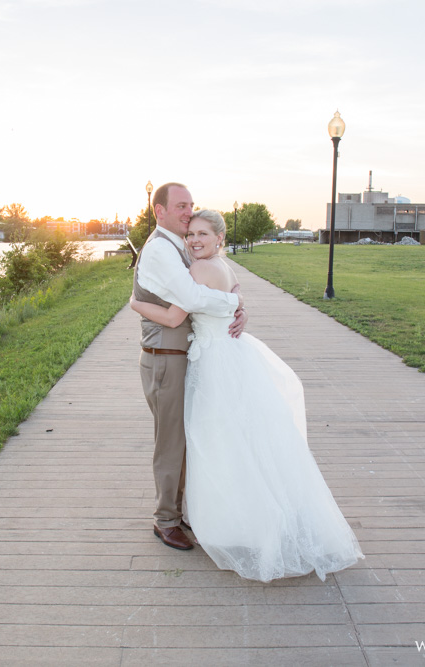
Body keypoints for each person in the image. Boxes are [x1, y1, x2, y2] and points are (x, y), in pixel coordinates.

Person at [131, 210, 363, 582]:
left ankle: (230, 522)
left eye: (203, 234)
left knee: (218, 441)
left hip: (212, 363)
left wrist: (135, 303)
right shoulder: (226, 267)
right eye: (191, 234)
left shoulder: (199, 270)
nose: (194, 241)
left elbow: (174, 317)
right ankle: (252, 514)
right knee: (243, 440)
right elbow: (234, 297)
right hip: (232, 357)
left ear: (220, 237)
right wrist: (240, 307)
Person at [133, 183, 246, 551]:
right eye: (181, 206)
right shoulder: (160, 251)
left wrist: (238, 304)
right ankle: (165, 520)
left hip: (184, 356)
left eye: (191, 206)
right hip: (165, 358)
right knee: (171, 443)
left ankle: (179, 512)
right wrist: (231, 301)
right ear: (159, 211)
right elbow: (191, 299)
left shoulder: (178, 246)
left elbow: (215, 283)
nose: (187, 212)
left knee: (185, 440)